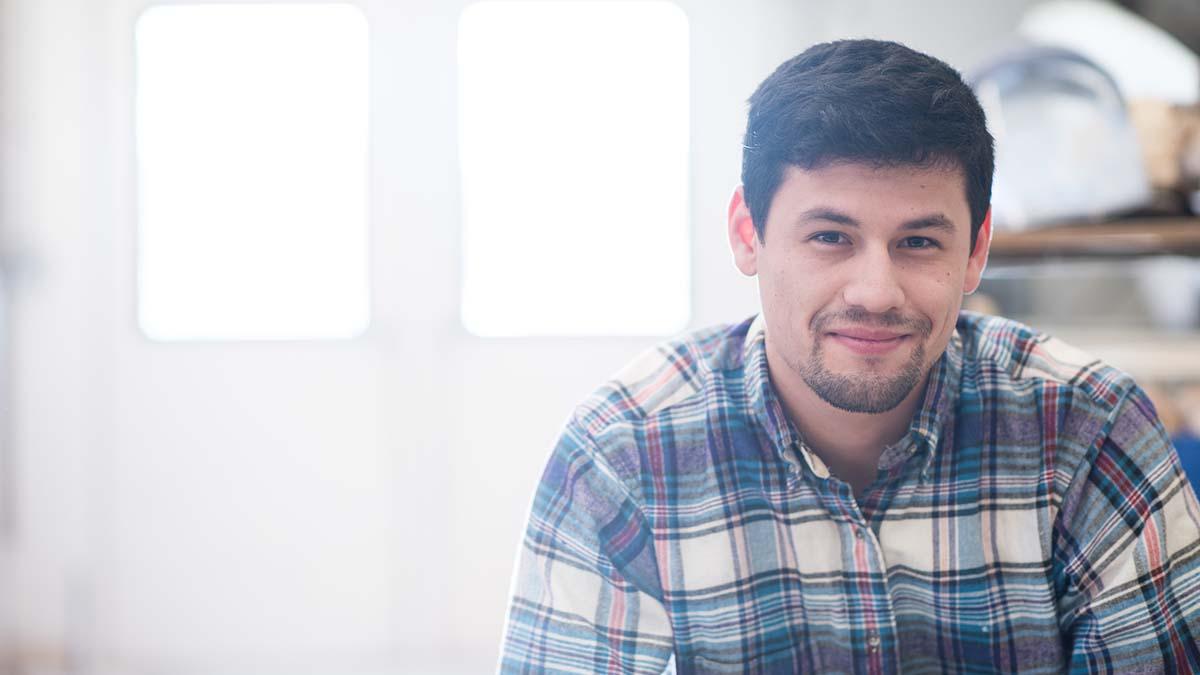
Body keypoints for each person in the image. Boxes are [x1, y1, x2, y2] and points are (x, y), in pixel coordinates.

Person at [498, 39, 1200, 673]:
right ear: (748, 232)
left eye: (919, 242)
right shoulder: (621, 455)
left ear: (976, 249)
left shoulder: (1090, 429)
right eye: (830, 237)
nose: (875, 292)